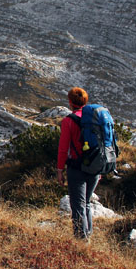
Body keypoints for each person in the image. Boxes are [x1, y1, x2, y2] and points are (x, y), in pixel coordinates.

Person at [56, 86, 99, 239]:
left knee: (78, 205)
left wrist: (60, 170)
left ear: (70, 102)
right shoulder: (95, 118)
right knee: (86, 203)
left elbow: (63, 148)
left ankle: (81, 240)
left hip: (77, 168)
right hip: (95, 166)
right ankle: (88, 235)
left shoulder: (68, 121)